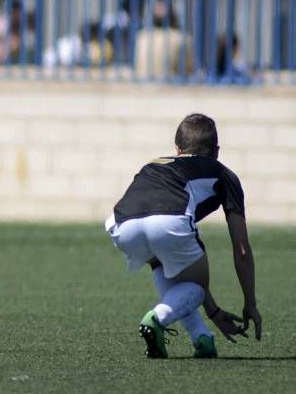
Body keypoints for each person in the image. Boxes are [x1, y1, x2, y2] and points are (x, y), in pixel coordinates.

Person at [104, 113, 261, 358]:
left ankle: (202, 338)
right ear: (216, 151)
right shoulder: (224, 174)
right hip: (169, 222)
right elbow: (241, 250)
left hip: (122, 223)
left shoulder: (154, 163)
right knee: (196, 285)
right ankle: (158, 318)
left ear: (177, 149)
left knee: (165, 264)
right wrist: (250, 302)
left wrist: (214, 313)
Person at [133, 1, 195, 79]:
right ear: (174, 18)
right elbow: (190, 69)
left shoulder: (141, 37)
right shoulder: (182, 38)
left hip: (143, 82)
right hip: (170, 84)